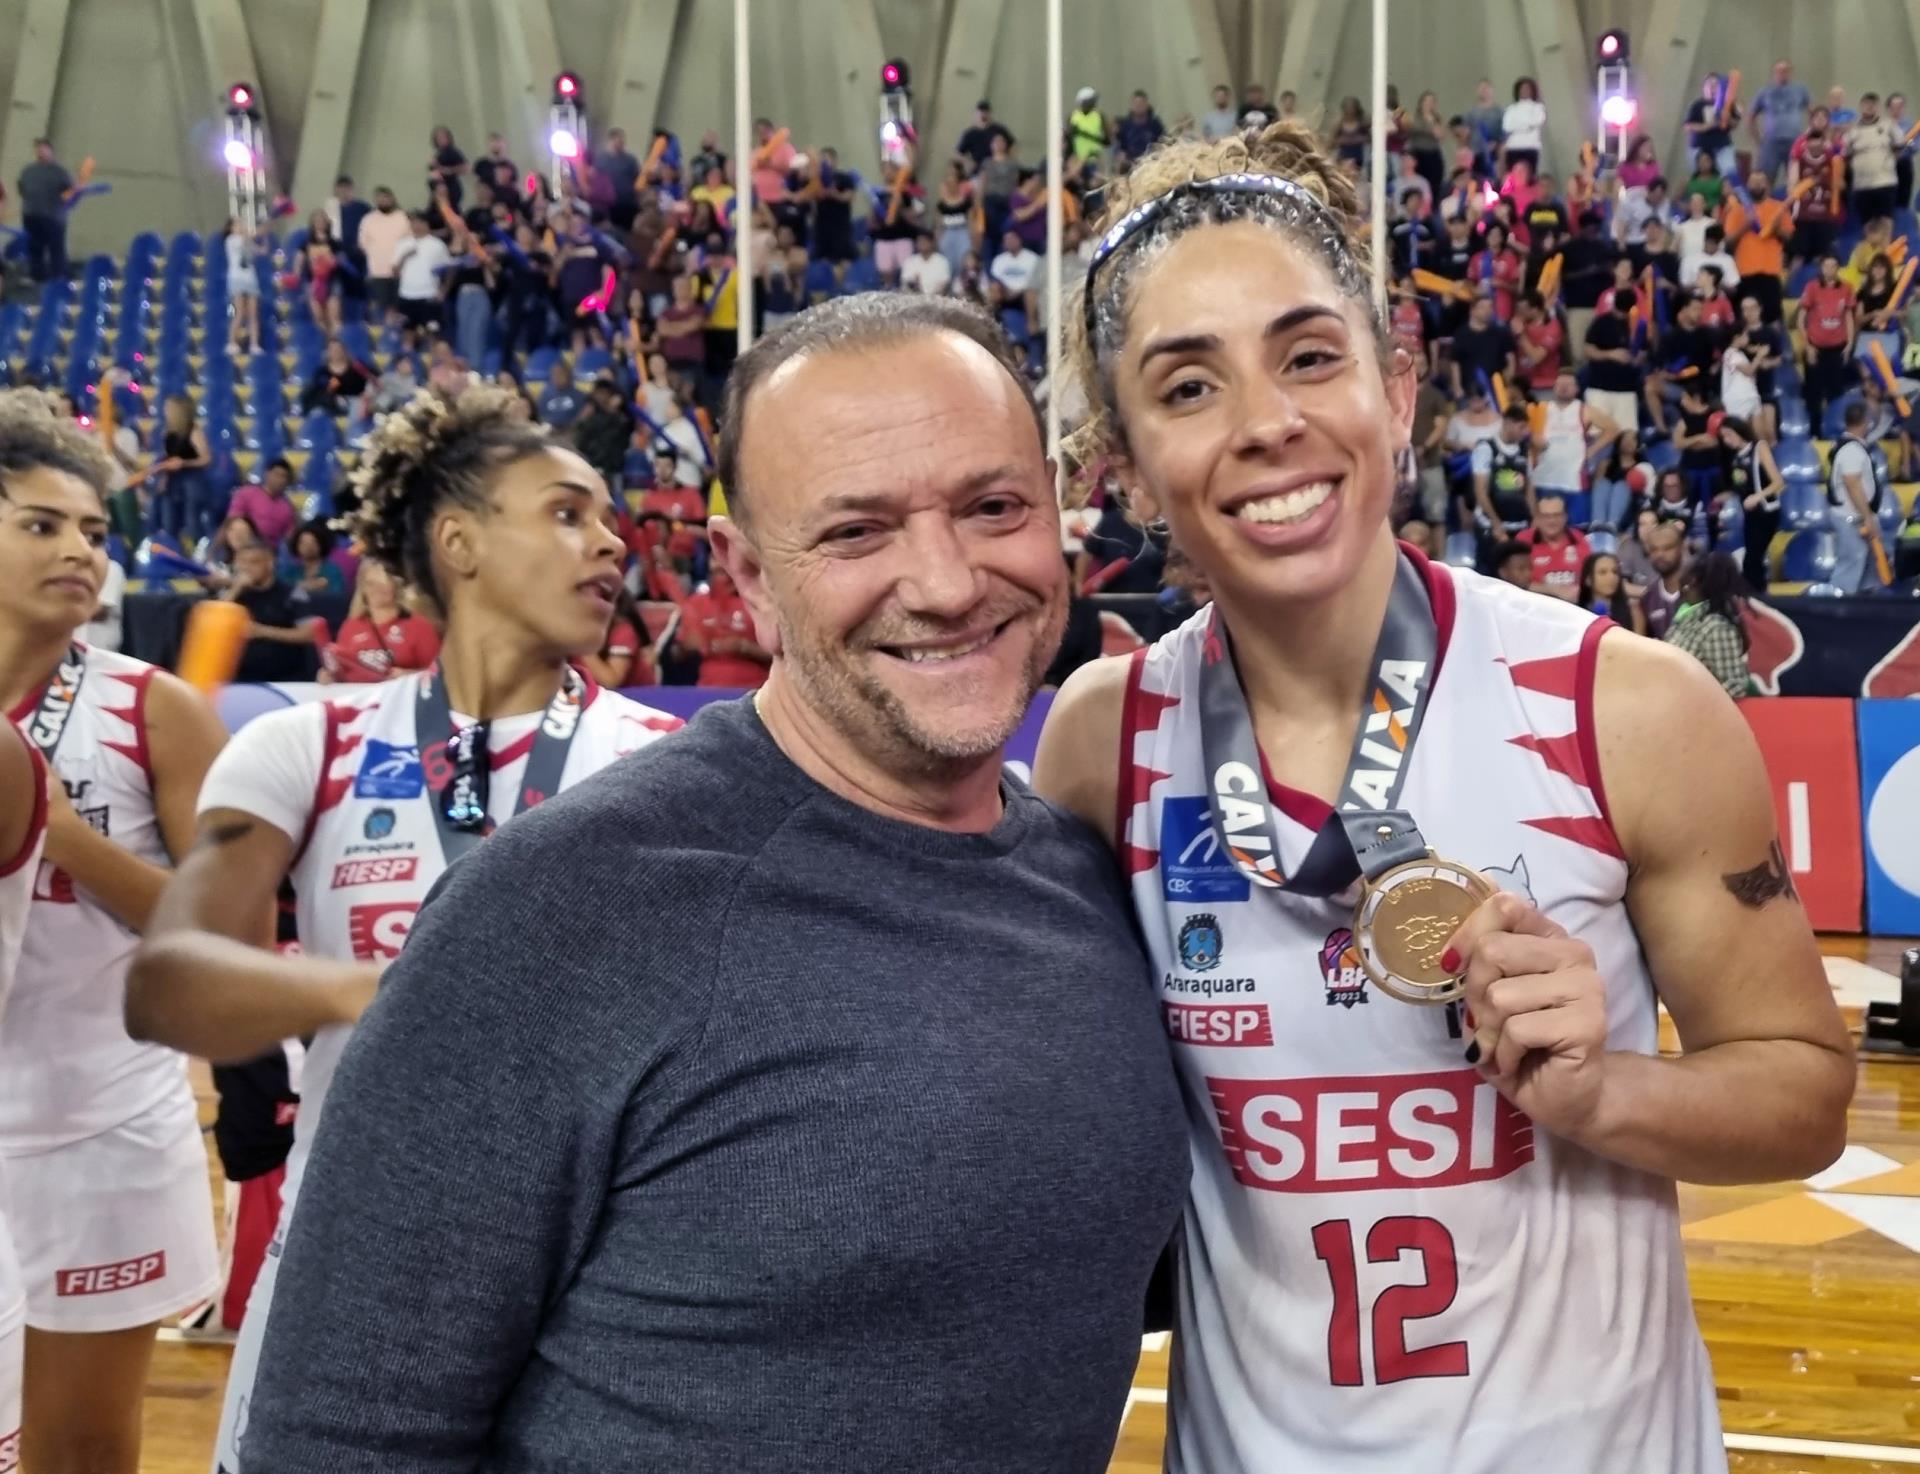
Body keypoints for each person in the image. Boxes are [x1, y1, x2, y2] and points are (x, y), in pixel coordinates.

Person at [185, 297, 1191, 1472]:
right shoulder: (559, 912)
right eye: (857, 531)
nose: (949, 580)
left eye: (993, 507)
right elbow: (342, 1436)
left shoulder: (1092, 880)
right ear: (749, 578)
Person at [1035, 120, 1849, 1472]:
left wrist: (1603, 1094)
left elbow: (1810, 1096)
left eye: (1310, 357)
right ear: (1121, 462)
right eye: (1188, 389)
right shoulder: (1099, 744)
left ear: (1397, 389)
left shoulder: (1626, 708)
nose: (1267, 425)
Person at [125, 385, 683, 1473]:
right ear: (460, 540)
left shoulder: (664, 760)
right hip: (348, 1267)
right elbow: (171, 982)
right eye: (567, 512)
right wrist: (378, 992)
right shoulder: (314, 744)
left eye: (610, 517)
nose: (612, 539)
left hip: (594, 1292)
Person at [0, 391, 227, 1474]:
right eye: (40, 524)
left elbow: (215, 938)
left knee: (81, 1452)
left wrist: (54, 832)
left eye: (93, 531)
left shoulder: (154, 707)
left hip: (103, 1131)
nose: (80, 551)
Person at [319, 559, 439, 683]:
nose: (377, 589)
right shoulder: (350, 626)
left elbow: (438, 674)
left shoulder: (419, 626)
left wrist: (408, 675)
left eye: (383, 583)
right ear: (363, 589)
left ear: (395, 586)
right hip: (363, 699)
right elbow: (343, 672)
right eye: (371, 583)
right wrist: (329, 676)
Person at [223, 542, 318, 683]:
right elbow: (213, 622)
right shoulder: (235, 595)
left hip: (285, 678)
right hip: (241, 678)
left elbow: (310, 633)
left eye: (253, 562)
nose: (246, 568)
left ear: (270, 563)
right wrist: (235, 589)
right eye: (242, 563)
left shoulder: (292, 594)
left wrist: (262, 631)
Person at [1663, 553, 1752, 697]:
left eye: (1688, 583)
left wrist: (1695, 703)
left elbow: (1735, 685)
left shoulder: (1716, 628)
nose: (1683, 588)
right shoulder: (1685, 618)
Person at [1828, 401, 1891, 593]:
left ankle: (1865, 607)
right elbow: (1853, 485)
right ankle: (1839, 609)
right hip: (1852, 518)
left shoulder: (1850, 446)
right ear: (1865, 422)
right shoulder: (1851, 450)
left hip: (1858, 517)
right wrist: (1868, 518)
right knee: (1852, 562)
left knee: (1868, 567)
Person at [1717, 415, 1784, 592]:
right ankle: (1758, 594)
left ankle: (1756, 597)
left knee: (1752, 560)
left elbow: (1777, 481)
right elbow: (1742, 486)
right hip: (1750, 514)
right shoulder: (1735, 458)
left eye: (1729, 435)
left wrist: (1758, 496)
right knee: (1753, 559)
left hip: (1766, 511)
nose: (1727, 440)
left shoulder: (1759, 448)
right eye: (1724, 437)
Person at [1797, 253, 1857, 435]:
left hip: (1837, 348)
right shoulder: (1812, 287)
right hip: (1816, 348)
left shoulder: (1847, 288)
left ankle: (1834, 431)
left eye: (1833, 265)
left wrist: (1849, 344)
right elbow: (1801, 319)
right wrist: (1808, 346)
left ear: (1838, 268)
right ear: (1821, 268)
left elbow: (1848, 318)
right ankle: (1815, 432)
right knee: (1813, 394)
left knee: (1836, 393)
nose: (1829, 269)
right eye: (1826, 266)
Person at [148, 394, 215, 543]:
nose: (165, 410)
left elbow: (206, 459)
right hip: (172, 481)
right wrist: (164, 476)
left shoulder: (194, 431)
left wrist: (184, 463)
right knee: (169, 523)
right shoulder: (167, 431)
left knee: (192, 523)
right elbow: (168, 457)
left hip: (191, 481)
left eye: (168, 407)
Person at [1516, 491, 1593, 600]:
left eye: (1556, 515)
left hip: (1575, 606)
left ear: (1565, 516)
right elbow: (1516, 582)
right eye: (1545, 516)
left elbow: (1591, 577)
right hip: (1535, 604)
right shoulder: (1524, 540)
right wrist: (1554, 590)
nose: (1551, 521)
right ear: (1537, 517)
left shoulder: (1579, 539)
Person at [16, 139, 72, 283]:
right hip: (31, 215)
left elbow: (69, 193)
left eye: (43, 149)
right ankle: (36, 277)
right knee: (34, 247)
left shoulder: (60, 172)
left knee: (56, 248)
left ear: (51, 150)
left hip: (53, 217)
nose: (40, 152)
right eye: (38, 149)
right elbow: (22, 189)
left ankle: (58, 278)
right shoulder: (28, 171)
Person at [1752, 61, 1811, 183]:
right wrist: (1759, 140)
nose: (1782, 73)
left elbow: (1814, 114)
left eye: (1785, 71)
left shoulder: (1800, 90)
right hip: (1771, 142)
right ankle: (1765, 202)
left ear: (1790, 73)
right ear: (1774, 73)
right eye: (1779, 71)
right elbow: (1750, 117)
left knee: (1797, 178)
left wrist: (1808, 136)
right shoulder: (1764, 92)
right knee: (1765, 179)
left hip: (1795, 141)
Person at [226, 458, 299, 552]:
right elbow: (231, 522)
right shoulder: (246, 494)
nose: (280, 479)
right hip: (241, 548)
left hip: (268, 553)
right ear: (267, 474)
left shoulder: (288, 508)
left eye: (284, 476)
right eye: (277, 474)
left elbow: (289, 539)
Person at [1641, 516, 1692, 637]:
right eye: (1654, 549)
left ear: (1682, 548)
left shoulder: (1700, 588)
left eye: (1667, 548)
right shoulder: (1648, 598)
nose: (1660, 554)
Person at [1577, 550, 1646, 633]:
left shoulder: (1633, 611)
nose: (1611, 577)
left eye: (1615, 572)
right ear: (1588, 580)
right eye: (1603, 572)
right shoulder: (1577, 613)